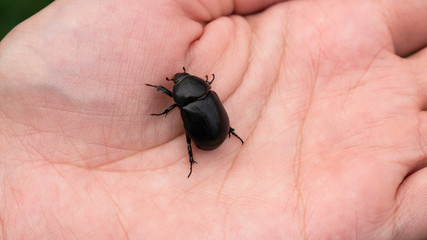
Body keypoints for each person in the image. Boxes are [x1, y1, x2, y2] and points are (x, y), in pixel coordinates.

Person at [0, 0, 426, 238]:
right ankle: (215, 146)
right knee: (204, 127)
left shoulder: (183, 100)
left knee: (192, 129)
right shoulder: (201, 94)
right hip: (215, 132)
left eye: (178, 81)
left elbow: (176, 101)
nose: (176, 81)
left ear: (186, 89)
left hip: (209, 135)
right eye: (178, 80)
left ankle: (200, 155)